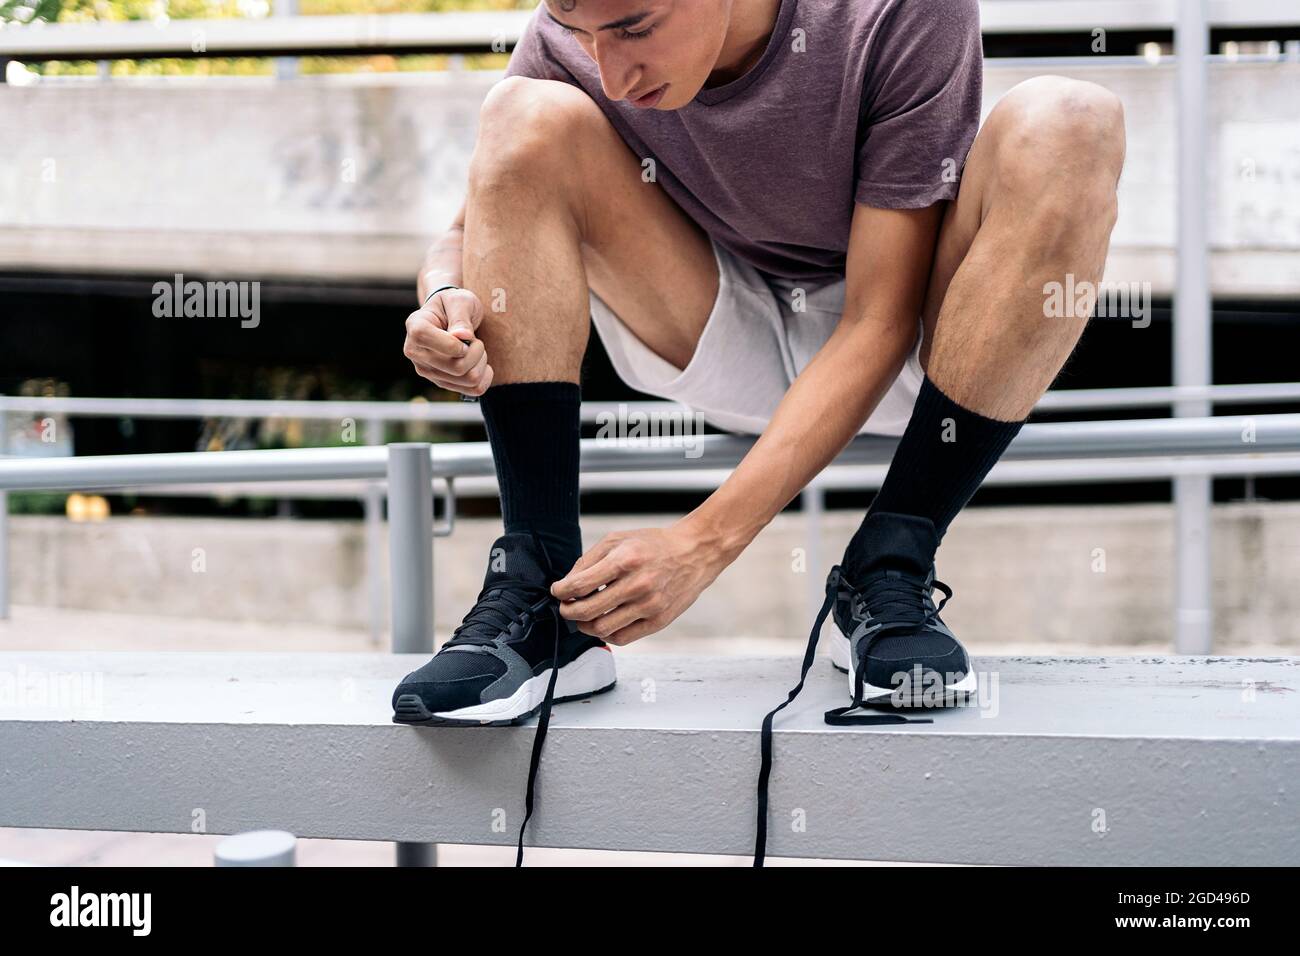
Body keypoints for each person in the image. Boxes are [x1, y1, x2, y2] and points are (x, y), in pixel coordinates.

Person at [391, 0, 1125, 864]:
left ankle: (891, 566)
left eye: (632, 29)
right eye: (585, 37)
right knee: (522, 112)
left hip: (907, 335)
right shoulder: (577, 22)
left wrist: (701, 543)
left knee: (1073, 118)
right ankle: (544, 596)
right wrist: (443, 295)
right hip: (713, 317)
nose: (610, 72)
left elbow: (878, 320)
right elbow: (467, 220)